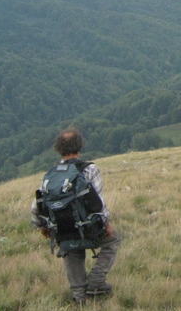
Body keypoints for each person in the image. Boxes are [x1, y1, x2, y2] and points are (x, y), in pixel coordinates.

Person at [31, 129, 121, 305]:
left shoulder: (52, 174)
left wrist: (42, 226)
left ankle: (79, 296)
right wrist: (106, 223)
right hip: (89, 228)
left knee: (70, 248)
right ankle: (96, 283)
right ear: (80, 146)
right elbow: (98, 202)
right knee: (113, 240)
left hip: (63, 229)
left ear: (58, 149)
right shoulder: (90, 169)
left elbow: (37, 204)